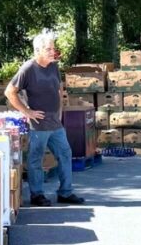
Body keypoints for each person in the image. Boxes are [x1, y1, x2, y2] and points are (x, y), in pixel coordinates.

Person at [5, 32, 85, 207]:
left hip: (55, 123)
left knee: (65, 154)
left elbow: (59, 89)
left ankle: (65, 192)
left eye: (53, 48)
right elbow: (9, 92)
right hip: (38, 125)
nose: (52, 52)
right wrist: (27, 112)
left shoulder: (53, 66)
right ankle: (37, 195)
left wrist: (60, 111)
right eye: (48, 49)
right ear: (37, 50)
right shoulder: (27, 69)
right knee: (36, 159)